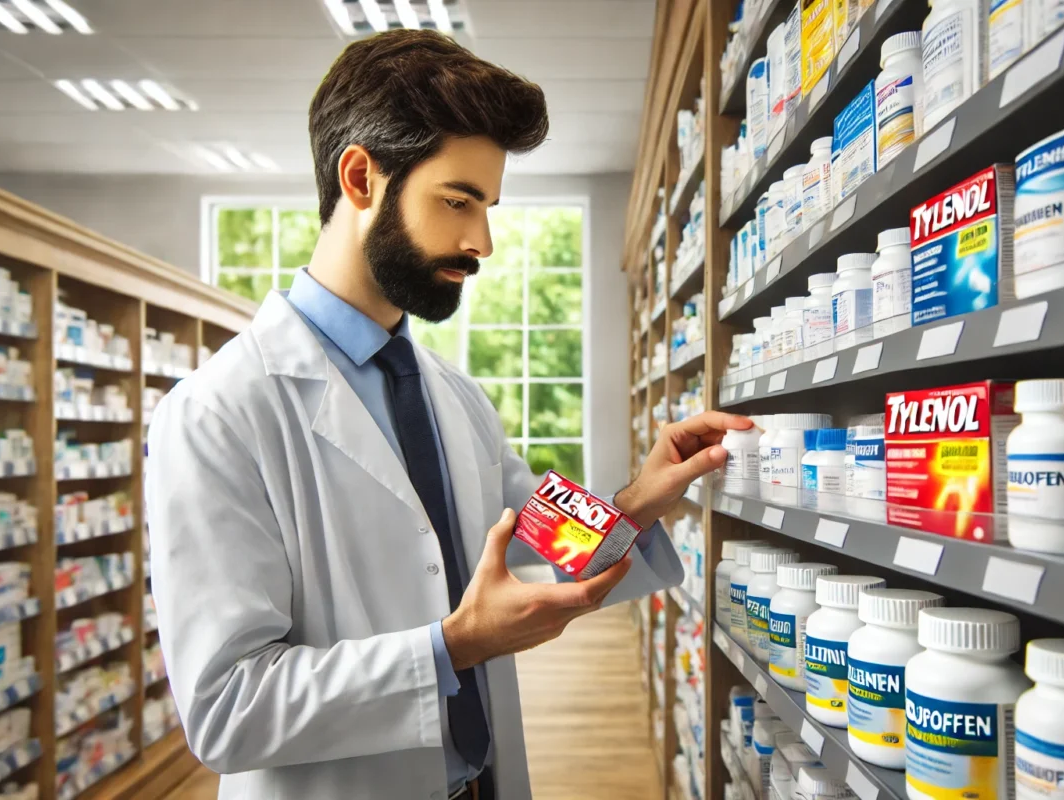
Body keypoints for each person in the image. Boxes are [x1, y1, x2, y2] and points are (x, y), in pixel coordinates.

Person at [144, 29, 751, 800]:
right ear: (360, 177)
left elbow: (535, 532)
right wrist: (455, 647)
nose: (483, 241)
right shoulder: (216, 414)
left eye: (488, 205)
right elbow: (227, 707)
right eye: (458, 201)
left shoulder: (453, 395)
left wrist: (639, 498)